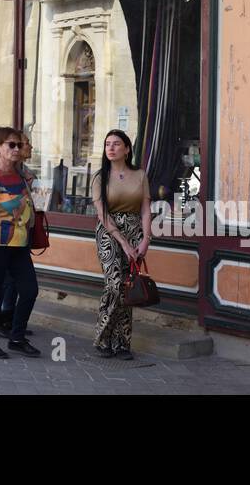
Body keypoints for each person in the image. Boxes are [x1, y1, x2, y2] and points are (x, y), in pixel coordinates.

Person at [0, 126, 41, 359]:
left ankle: (16, 337)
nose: (16, 149)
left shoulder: (20, 175)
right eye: (10, 145)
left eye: (18, 145)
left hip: (19, 246)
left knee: (30, 290)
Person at [90, 129, 150, 360]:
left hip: (136, 229)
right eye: (107, 144)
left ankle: (122, 343)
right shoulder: (99, 177)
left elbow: (145, 208)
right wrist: (123, 242)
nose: (111, 148)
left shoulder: (140, 175)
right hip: (109, 232)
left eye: (116, 144)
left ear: (127, 149)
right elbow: (102, 214)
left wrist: (146, 239)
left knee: (128, 287)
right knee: (115, 284)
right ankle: (103, 336)